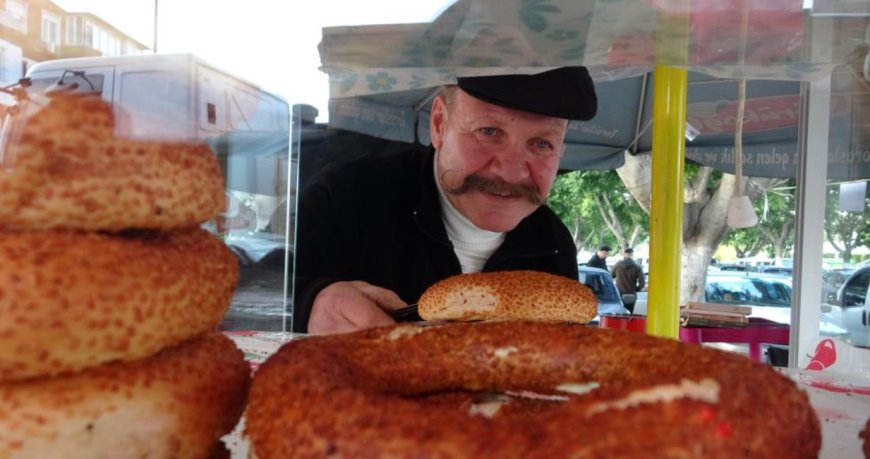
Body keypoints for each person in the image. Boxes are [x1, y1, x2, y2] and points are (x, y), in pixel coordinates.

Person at [292, 67, 598, 334]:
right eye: (489, 131)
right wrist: (313, 301)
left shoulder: (554, 245)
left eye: (542, 143)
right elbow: (255, 288)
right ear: (439, 124)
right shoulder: (345, 197)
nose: (510, 171)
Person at [610, 247, 645, 313]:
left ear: (624, 254)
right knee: (629, 315)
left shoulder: (617, 265)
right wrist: (635, 289)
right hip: (631, 294)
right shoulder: (637, 267)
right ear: (632, 254)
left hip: (619, 294)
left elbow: (610, 277)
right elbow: (642, 284)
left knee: (619, 314)